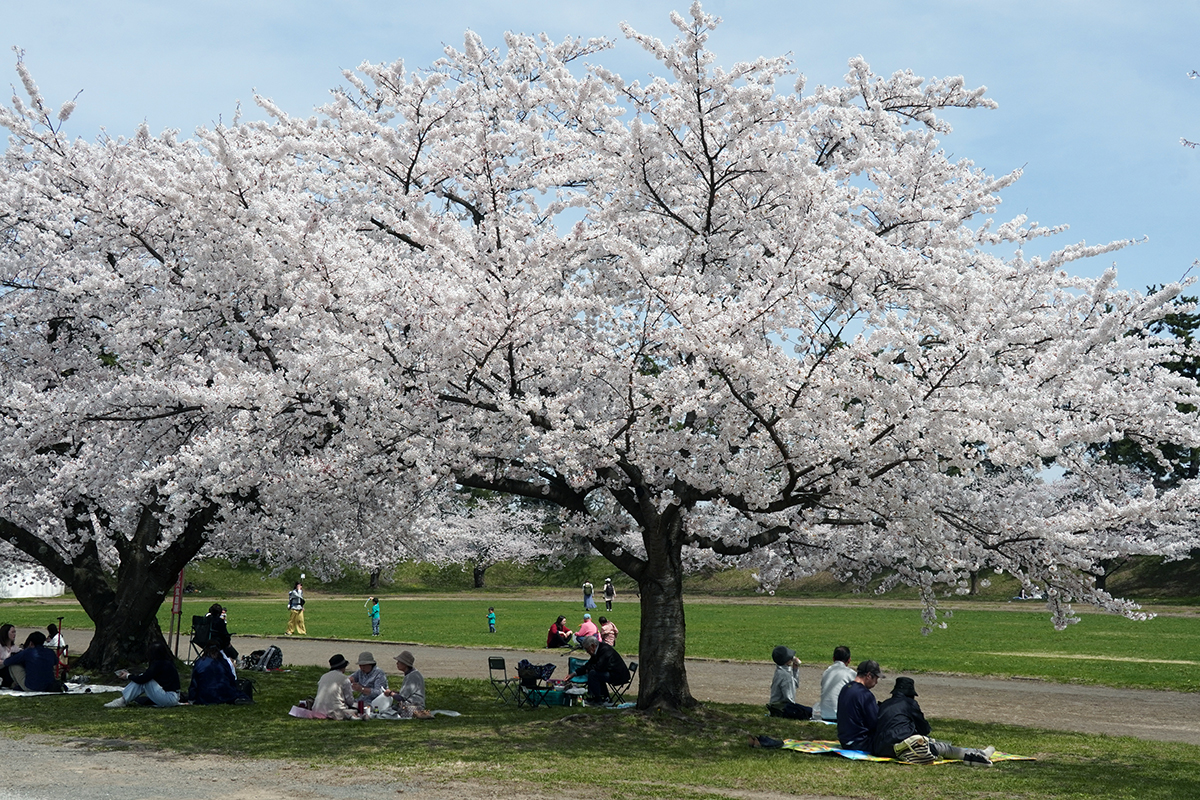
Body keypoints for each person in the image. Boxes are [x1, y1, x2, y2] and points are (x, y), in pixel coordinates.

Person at [872, 677, 995, 765]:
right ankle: (977, 755)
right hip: (901, 746)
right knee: (943, 748)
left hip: (880, 748)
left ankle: (976, 753)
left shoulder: (884, 704)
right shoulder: (910, 704)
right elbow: (924, 729)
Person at [105, 642, 181, 708]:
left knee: (145, 681)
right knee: (143, 679)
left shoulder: (159, 664)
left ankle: (123, 700)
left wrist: (128, 676)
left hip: (169, 697)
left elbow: (143, 679)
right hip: (172, 696)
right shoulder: (167, 662)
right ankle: (123, 699)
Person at [565, 635, 630, 706]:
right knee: (595, 673)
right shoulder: (598, 650)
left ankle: (597, 699)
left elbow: (599, 667)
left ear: (593, 646)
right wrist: (574, 674)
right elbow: (589, 664)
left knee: (593, 674)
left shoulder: (605, 650)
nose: (587, 652)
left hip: (618, 675)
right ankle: (605, 697)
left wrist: (588, 669)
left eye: (587, 649)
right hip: (611, 673)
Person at [836, 660, 882, 751]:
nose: (876, 682)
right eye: (876, 678)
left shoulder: (846, 688)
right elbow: (875, 722)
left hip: (845, 740)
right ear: (868, 676)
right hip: (860, 742)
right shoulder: (865, 695)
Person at [766, 645, 812, 719]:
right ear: (787, 660)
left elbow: (794, 685)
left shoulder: (780, 671)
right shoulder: (786, 676)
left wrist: (795, 670)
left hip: (775, 707)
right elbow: (789, 698)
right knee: (810, 711)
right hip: (781, 709)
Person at [312, 653, 358, 719]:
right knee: (356, 710)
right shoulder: (344, 679)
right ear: (343, 667)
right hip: (335, 711)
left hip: (317, 710)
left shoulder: (323, 676)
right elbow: (350, 701)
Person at [817, 645, 856, 722]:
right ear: (849, 660)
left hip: (824, 714)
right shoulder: (850, 673)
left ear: (833, 659)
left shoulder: (826, 672)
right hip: (841, 716)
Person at [0, 623, 18, 688]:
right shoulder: (0, 647)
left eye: (15, 632)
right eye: (12, 632)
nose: (14, 634)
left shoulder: (15, 648)